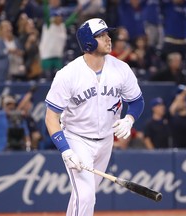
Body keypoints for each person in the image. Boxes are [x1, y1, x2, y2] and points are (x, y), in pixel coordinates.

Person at [44, 18, 144, 216]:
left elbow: (137, 101)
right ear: (88, 41)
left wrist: (130, 119)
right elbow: (51, 117)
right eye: (101, 35)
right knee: (87, 196)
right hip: (77, 139)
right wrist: (66, 150)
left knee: (82, 196)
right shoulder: (68, 74)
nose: (108, 39)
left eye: (107, 34)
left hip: (105, 141)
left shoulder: (121, 68)